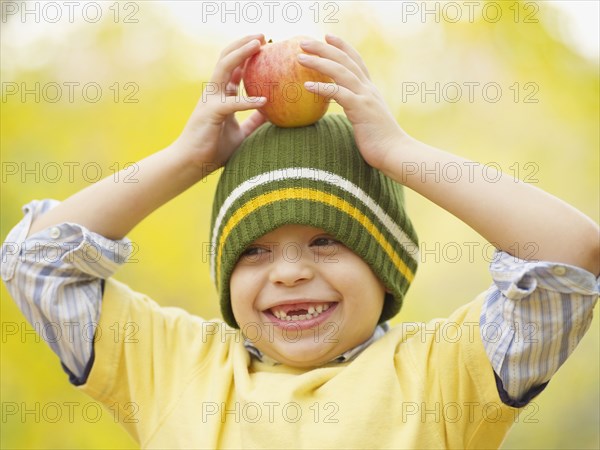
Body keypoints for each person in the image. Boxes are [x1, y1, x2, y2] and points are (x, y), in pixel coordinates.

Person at [2, 34, 598, 448]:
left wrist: (398, 153)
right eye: (255, 250)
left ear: (383, 264)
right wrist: (187, 160)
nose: (287, 272)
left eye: (323, 241)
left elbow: (567, 254)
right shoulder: (174, 364)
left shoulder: (443, 373)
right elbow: (35, 261)